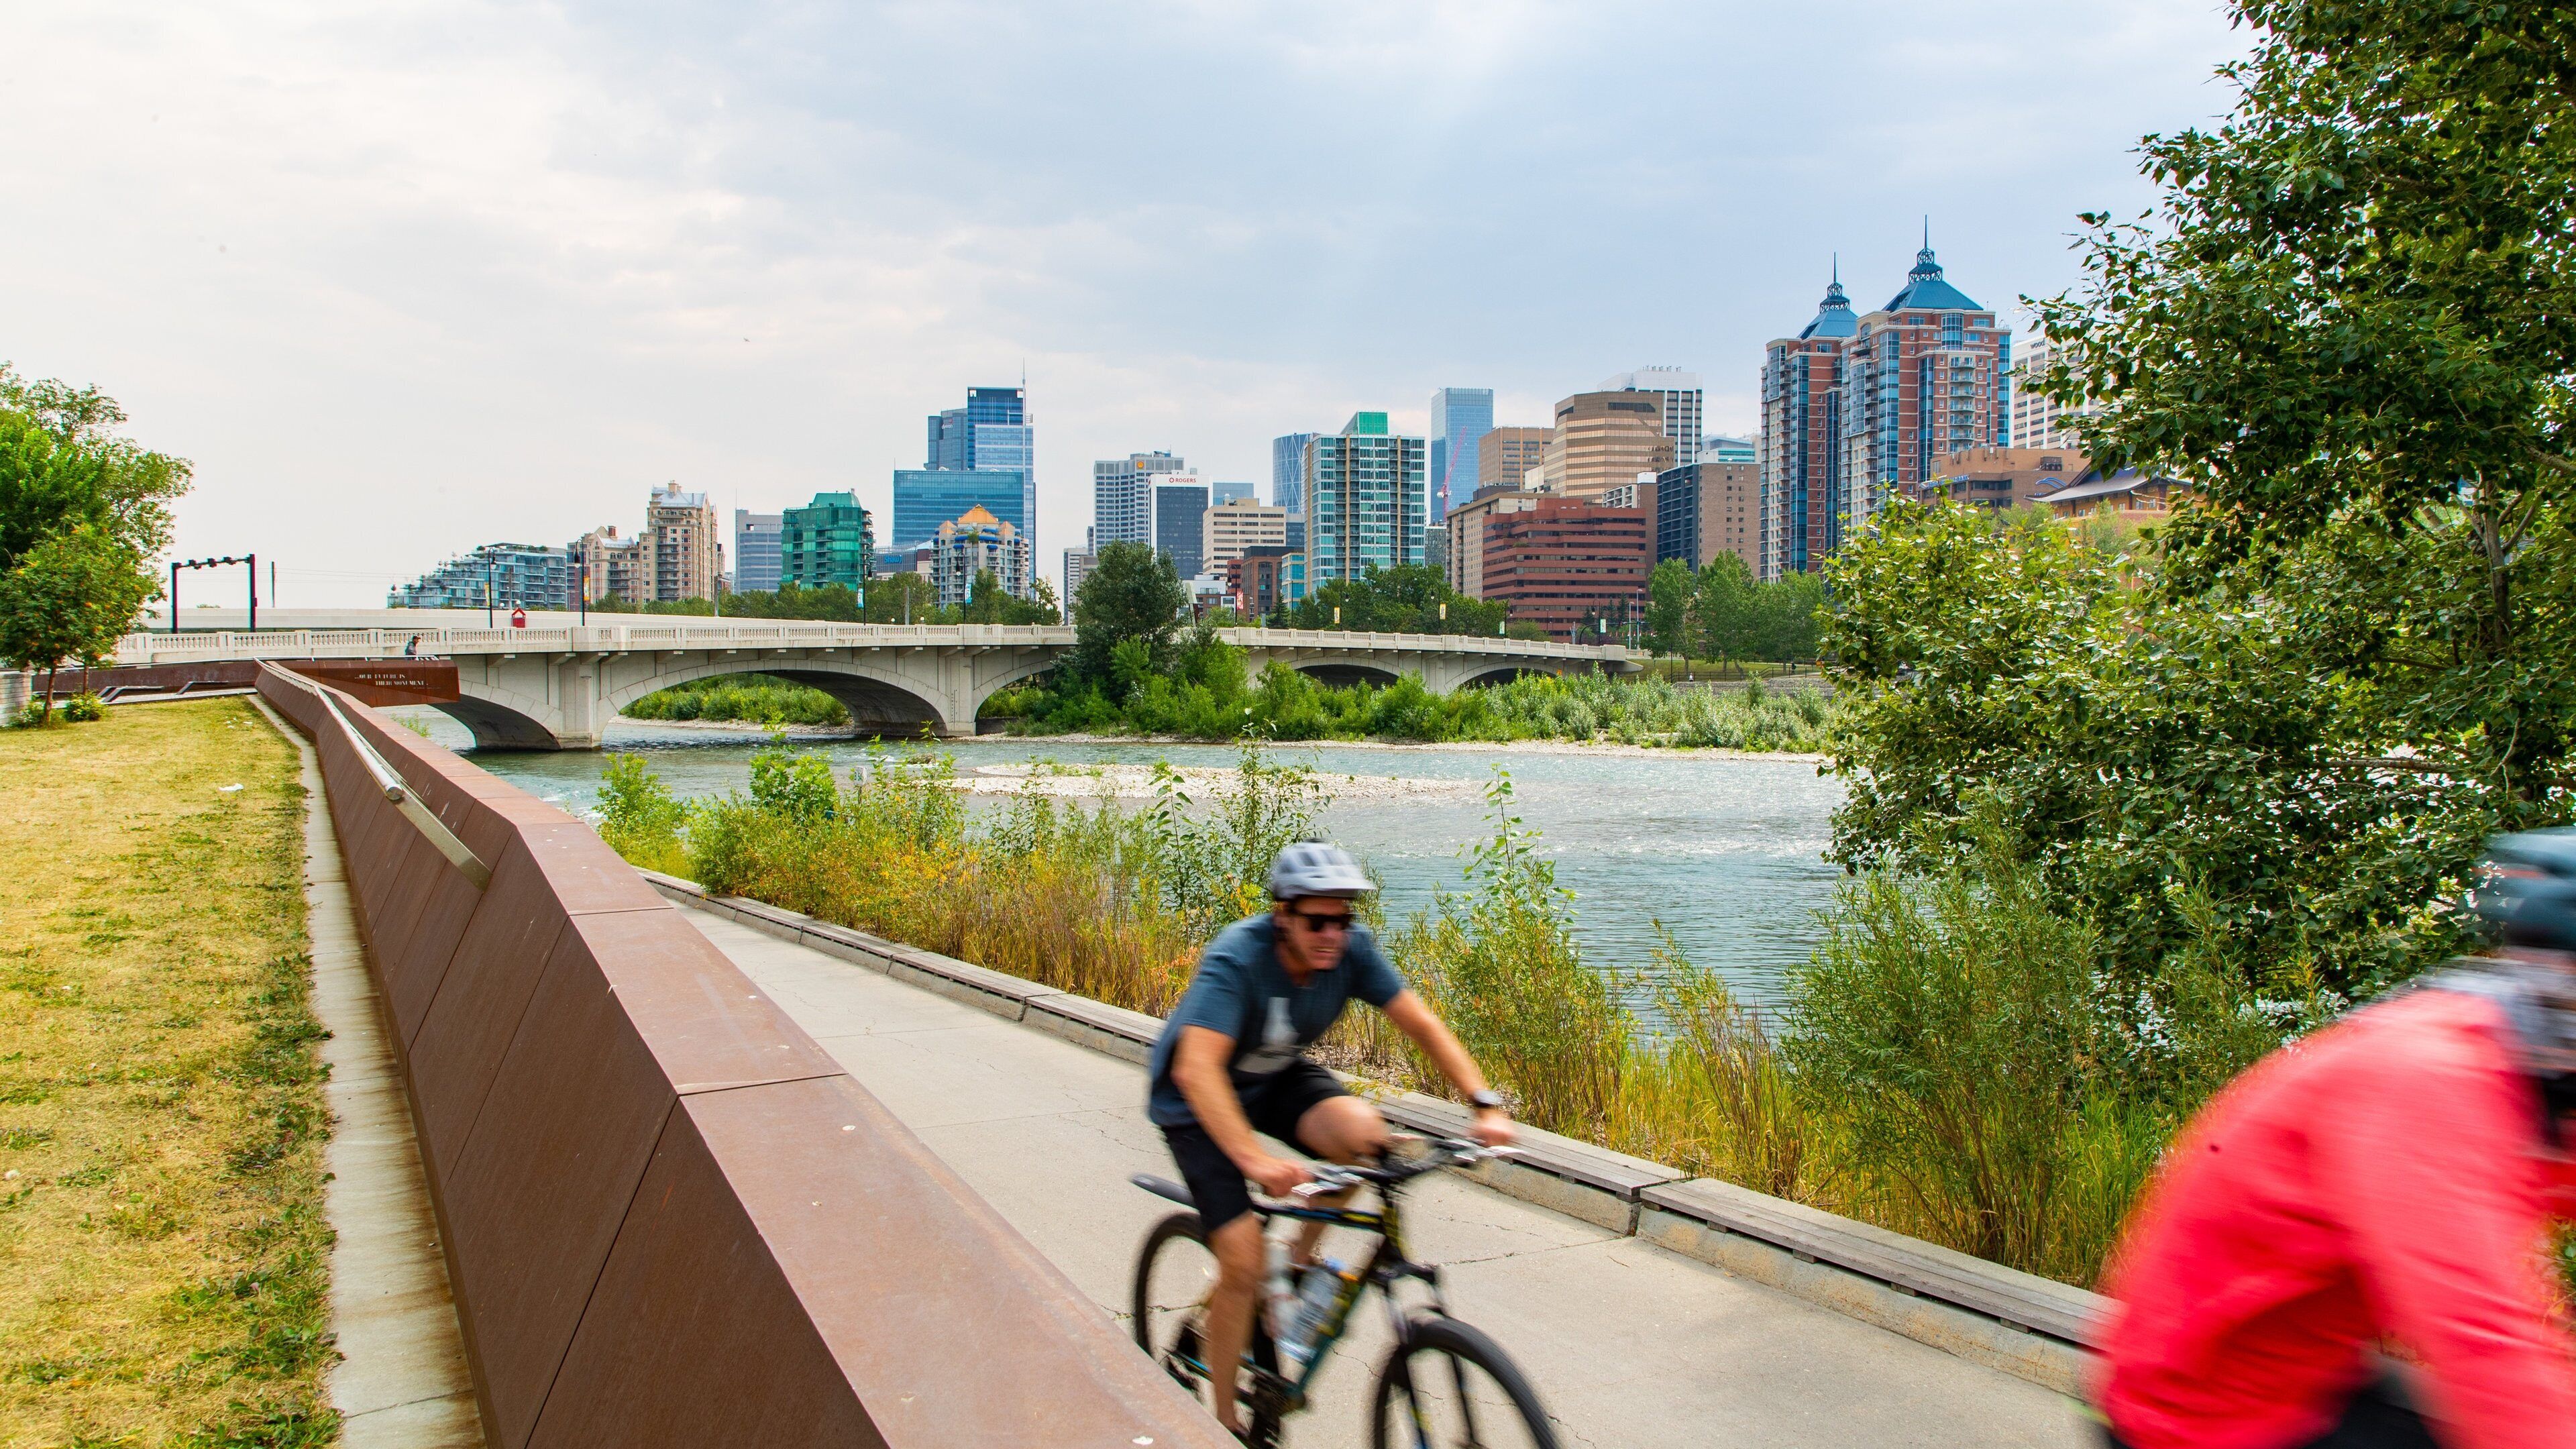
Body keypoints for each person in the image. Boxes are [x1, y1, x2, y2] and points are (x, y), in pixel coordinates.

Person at [2092, 829, 2576, 1449]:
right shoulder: (2430, 1076)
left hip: (2308, 1379)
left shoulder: (2527, 1058)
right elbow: (2481, 1334)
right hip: (2202, 1416)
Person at [1146, 840, 1515, 1440]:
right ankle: (1220, 1421)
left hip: (1271, 1074)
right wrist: (1254, 1160)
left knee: (1367, 1139)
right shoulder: (1238, 958)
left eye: (1344, 920)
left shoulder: (1349, 950)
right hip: (1196, 1098)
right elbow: (1197, 1069)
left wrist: (1483, 1102)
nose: (1332, 934)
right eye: (1317, 921)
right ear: (1282, 916)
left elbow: (1418, 1021)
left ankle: (1293, 1261)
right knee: (1241, 1256)